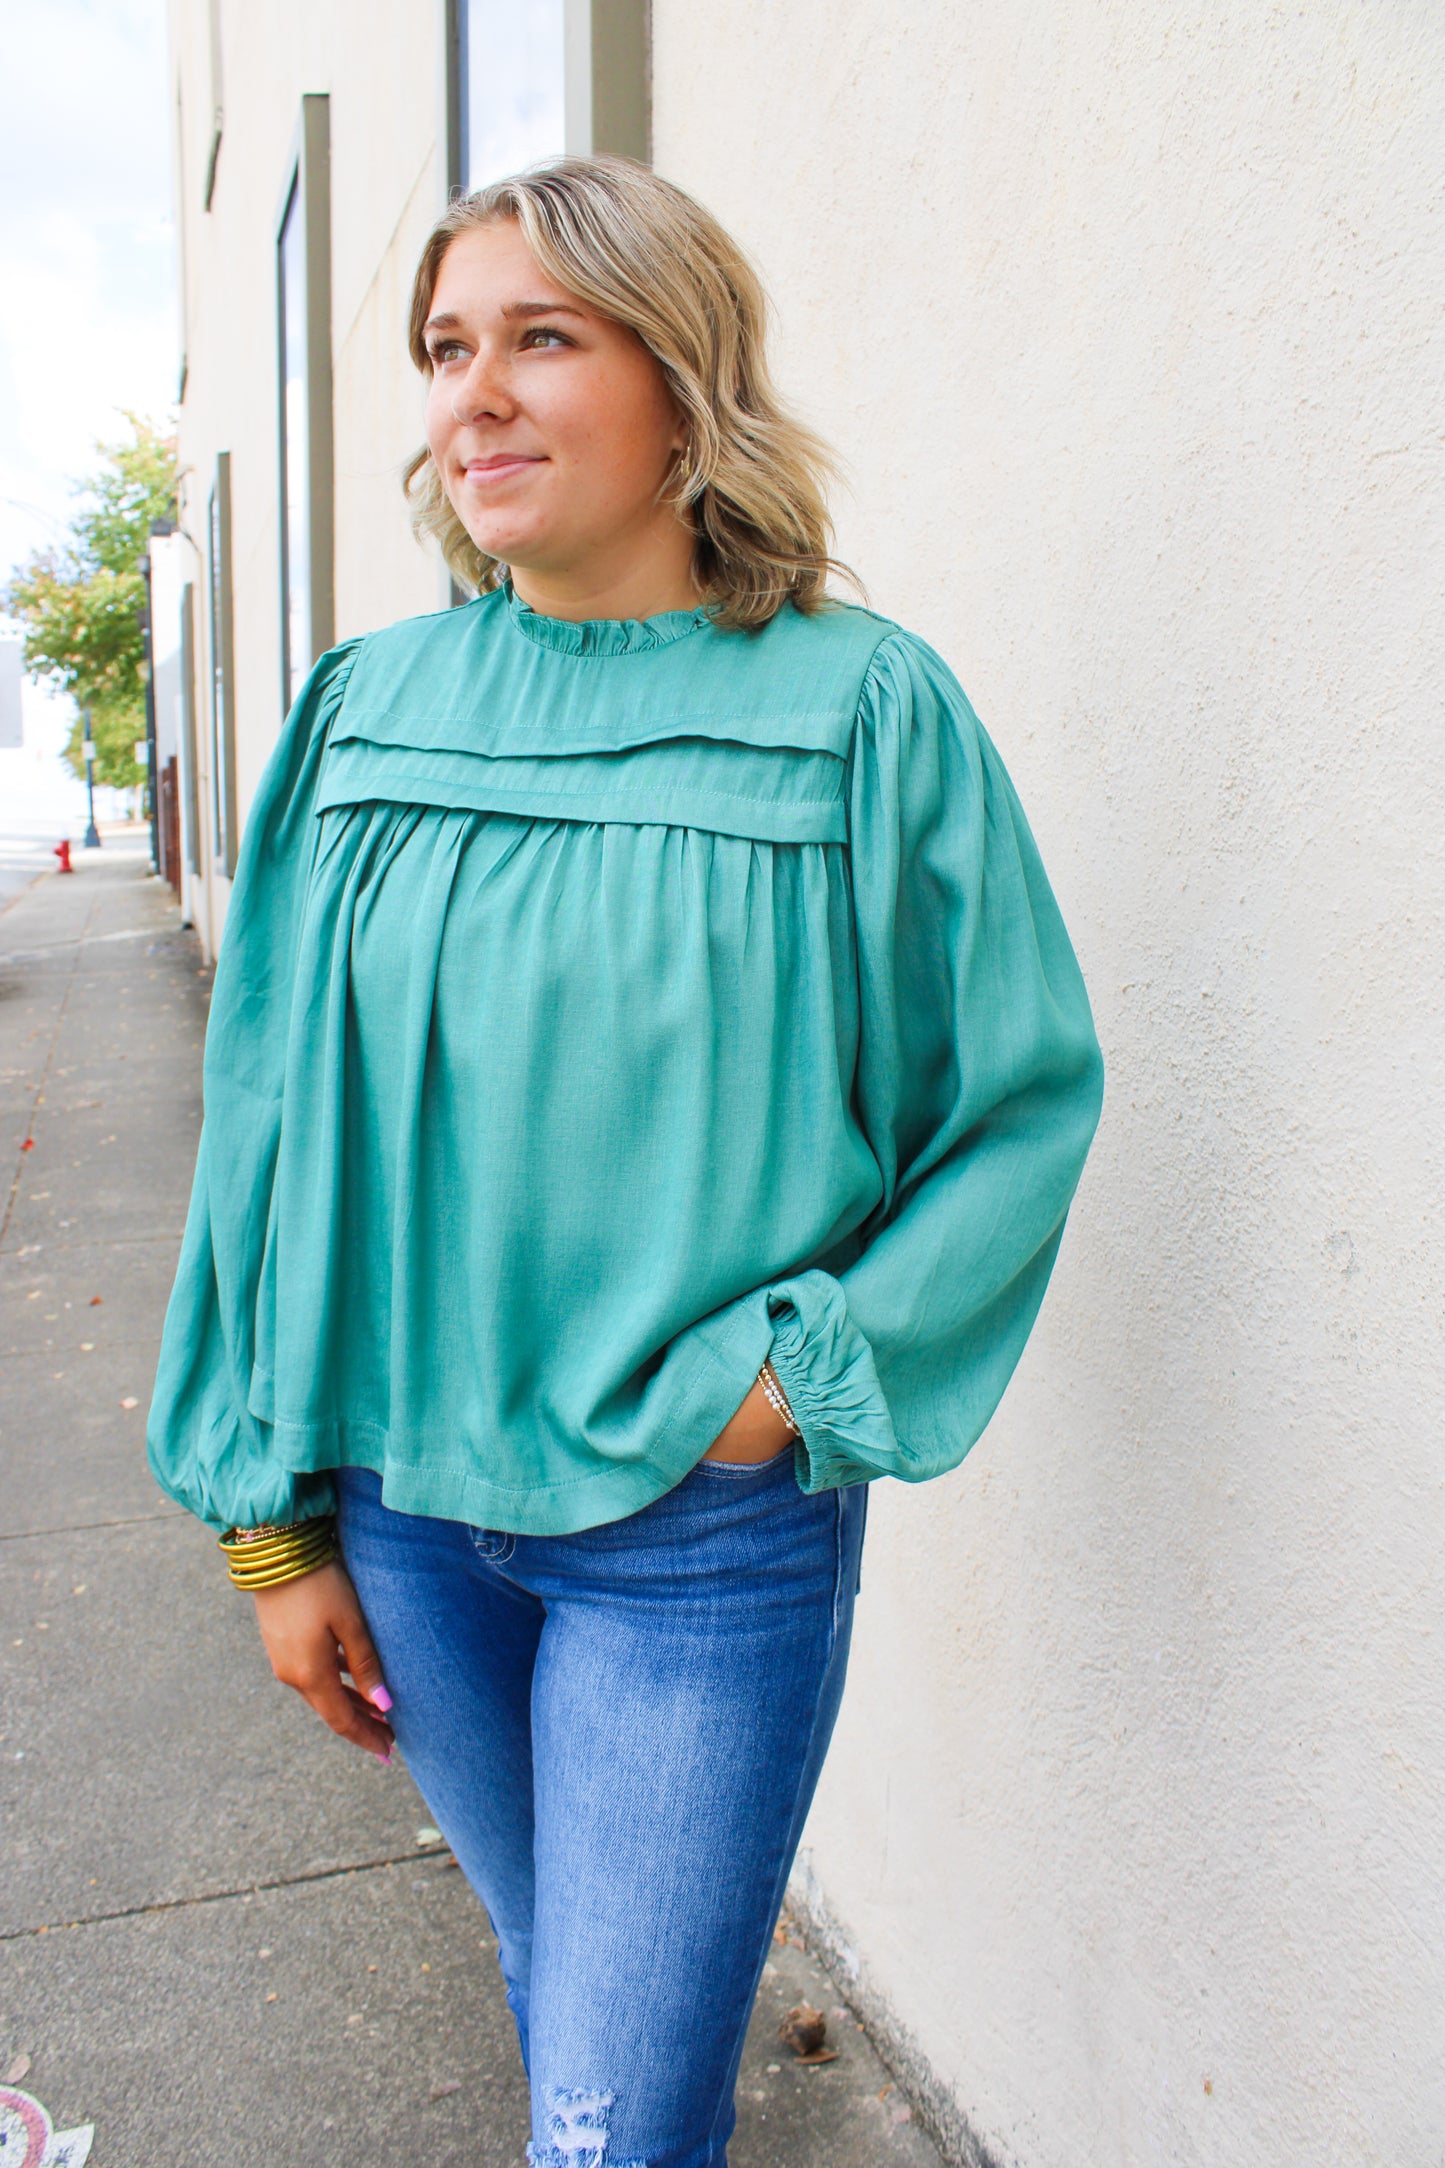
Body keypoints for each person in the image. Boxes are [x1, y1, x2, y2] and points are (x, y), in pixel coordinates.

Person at [147, 154, 1104, 2168]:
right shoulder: (365, 713)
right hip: (405, 1512)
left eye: (541, 339)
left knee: (615, 2114)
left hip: (698, 1537)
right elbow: (269, 1125)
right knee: (559, 2001)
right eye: (443, 349)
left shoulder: (859, 711)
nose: (472, 394)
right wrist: (271, 1518)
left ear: (685, 385)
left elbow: (1016, 1100)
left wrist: (791, 1391)